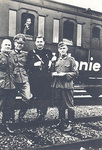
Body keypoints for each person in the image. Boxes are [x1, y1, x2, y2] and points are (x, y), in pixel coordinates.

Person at [51, 39, 78, 132]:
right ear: (58, 50)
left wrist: (65, 75)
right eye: (60, 48)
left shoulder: (71, 60)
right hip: (58, 86)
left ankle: (70, 124)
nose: (62, 50)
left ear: (67, 49)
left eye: (64, 48)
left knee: (69, 105)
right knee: (60, 105)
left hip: (67, 86)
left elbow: (76, 73)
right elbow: (51, 72)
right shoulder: (56, 61)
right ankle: (61, 122)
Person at [26, 35, 53, 123]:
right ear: (35, 43)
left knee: (44, 97)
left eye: (41, 41)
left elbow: (52, 63)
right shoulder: (31, 53)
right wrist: (34, 64)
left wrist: (51, 62)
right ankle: (38, 112)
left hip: (45, 79)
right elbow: (27, 65)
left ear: (44, 43)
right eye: (38, 42)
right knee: (36, 96)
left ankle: (43, 114)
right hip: (35, 79)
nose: (39, 43)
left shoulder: (48, 52)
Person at [12, 33, 32, 122]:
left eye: (21, 44)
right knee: (11, 100)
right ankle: (11, 118)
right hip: (13, 80)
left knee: (28, 98)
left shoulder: (26, 54)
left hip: (24, 79)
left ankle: (21, 115)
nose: (19, 45)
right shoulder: (10, 53)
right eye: (18, 43)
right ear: (14, 43)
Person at [0, 39, 15, 133]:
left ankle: (4, 125)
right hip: (1, 85)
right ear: (1, 46)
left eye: (9, 45)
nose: (8, 47)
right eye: (6, 45)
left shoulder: (11, 56)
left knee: (8, 106)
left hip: (11, 85)